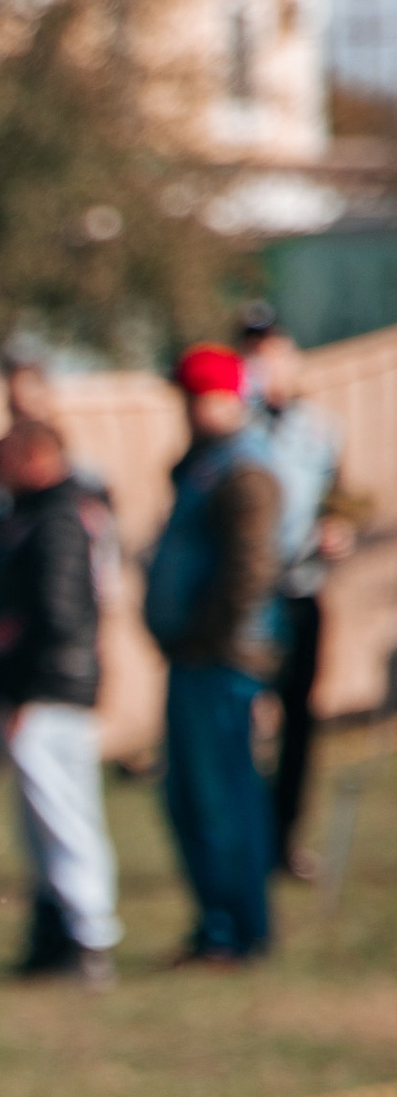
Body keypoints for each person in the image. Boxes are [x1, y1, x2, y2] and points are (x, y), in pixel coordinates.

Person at [0, 349, 119, 973]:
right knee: (35, 819)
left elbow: (60, 615)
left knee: (66, 819)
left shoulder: (60, 516)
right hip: (28, 684)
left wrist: (34, 690)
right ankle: (54, 935)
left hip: (50, 688)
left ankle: (86, 938)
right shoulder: (24, 507)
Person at [144, 341, 284, 968]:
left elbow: (251, 568)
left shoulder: (245, 470)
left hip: (222, 661)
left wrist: (211, 634)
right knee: (188, 798)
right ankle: (214, 924)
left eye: (203, 397)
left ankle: (239, 929)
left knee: (225, 798)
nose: (192, 410)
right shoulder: (201, 465)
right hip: (191, 658)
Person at [237, 304, 352, 883]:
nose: (263, 361)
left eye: (271, 347)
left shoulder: (320, 430)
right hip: (251, 597)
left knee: (298, 722)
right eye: (252, 350)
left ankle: (285, 839)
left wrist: (338, 529)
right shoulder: (236, 430)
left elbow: (342, 498)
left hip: (302, 589)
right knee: (247, 719)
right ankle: (250, 836)